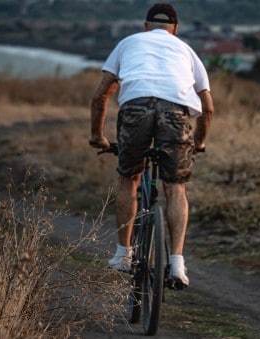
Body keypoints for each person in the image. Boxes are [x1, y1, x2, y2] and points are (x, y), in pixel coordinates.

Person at [89, 3, 214, 289]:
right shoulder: (186, 50)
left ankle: (123, 254)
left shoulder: (128, 43)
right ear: (175, 30)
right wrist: (199, 141)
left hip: (136, 108)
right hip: (176, 112)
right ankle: (178, 264)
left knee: (129, 179)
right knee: (176, 187)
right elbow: (207, 108)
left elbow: (100, 96)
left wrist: (97, 135)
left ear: (145, 27)